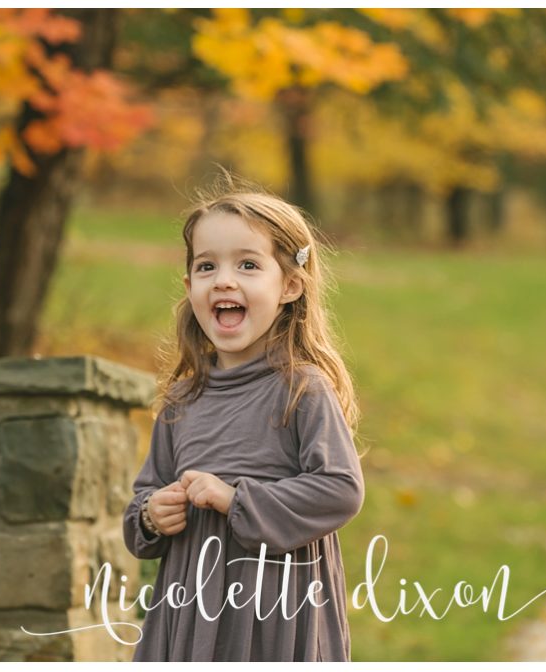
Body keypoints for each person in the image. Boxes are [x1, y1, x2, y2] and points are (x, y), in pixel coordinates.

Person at [122, 185, 366, 660]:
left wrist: (237, 500)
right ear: (190, 284)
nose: (223, 281)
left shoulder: (302, 388)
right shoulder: (181, 400)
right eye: (206, 266)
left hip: (276, 613)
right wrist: (153, 514)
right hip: (190, 615)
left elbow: (340, 489)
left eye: (248, 265)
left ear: (290, 287)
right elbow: (140, 510)